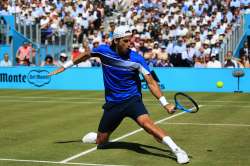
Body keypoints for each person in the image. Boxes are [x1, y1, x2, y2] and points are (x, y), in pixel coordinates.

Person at [48, 25, 189, 164]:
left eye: (130, 40)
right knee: (101, 142)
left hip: (132, 99)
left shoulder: (137, 59)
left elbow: (151, 82)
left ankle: (177, 150)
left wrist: (165, 103)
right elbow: (86, 54)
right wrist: (64, 67)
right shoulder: (103, 51)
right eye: (125, 41)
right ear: (116, 41)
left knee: (147, 125)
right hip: (113, 103)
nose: (129, 44)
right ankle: (97, 137)